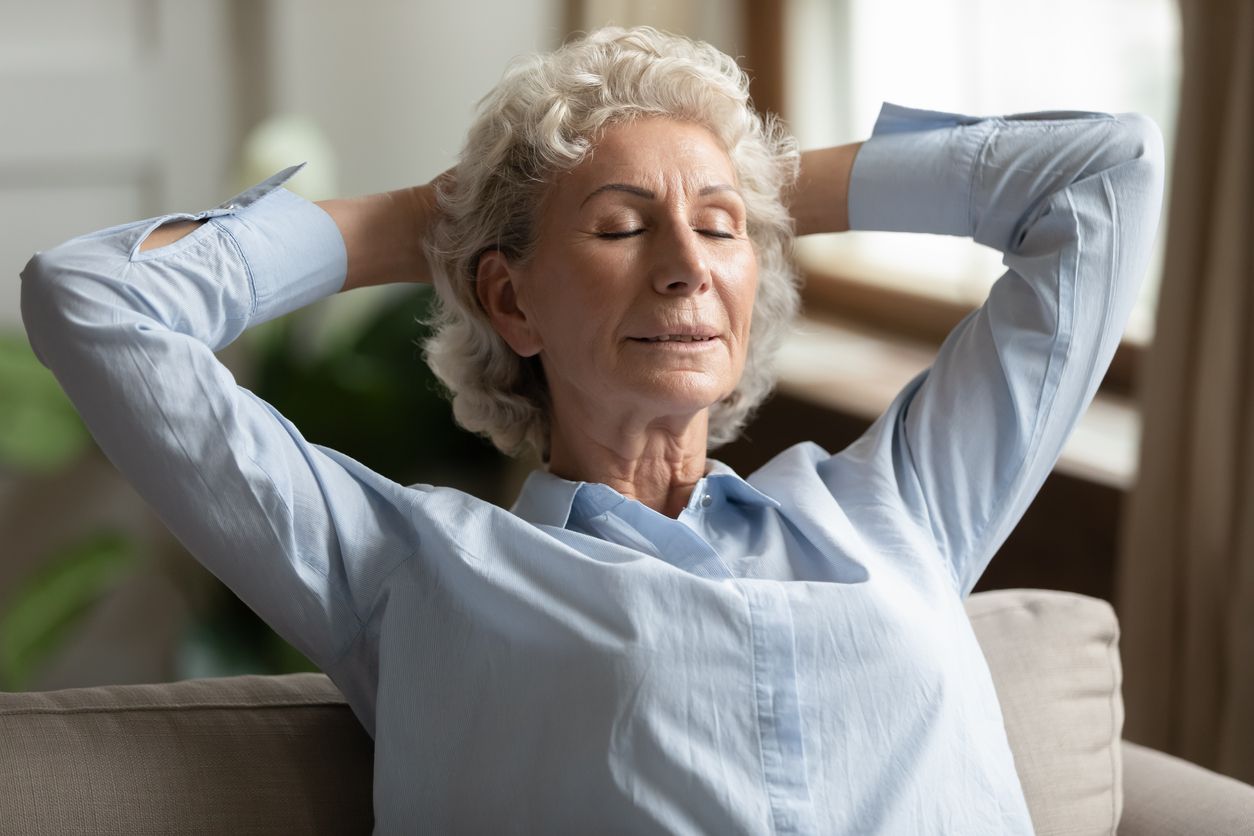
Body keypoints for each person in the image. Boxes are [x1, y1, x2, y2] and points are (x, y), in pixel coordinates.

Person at [21, 25, 1163, 836]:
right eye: (621, 227)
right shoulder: (408, 572)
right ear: (511, 301)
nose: (684, 268)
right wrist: (436, 216)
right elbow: (95, 302)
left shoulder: (899, 505)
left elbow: (1102, 178)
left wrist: (747, 178)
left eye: (720, 236)